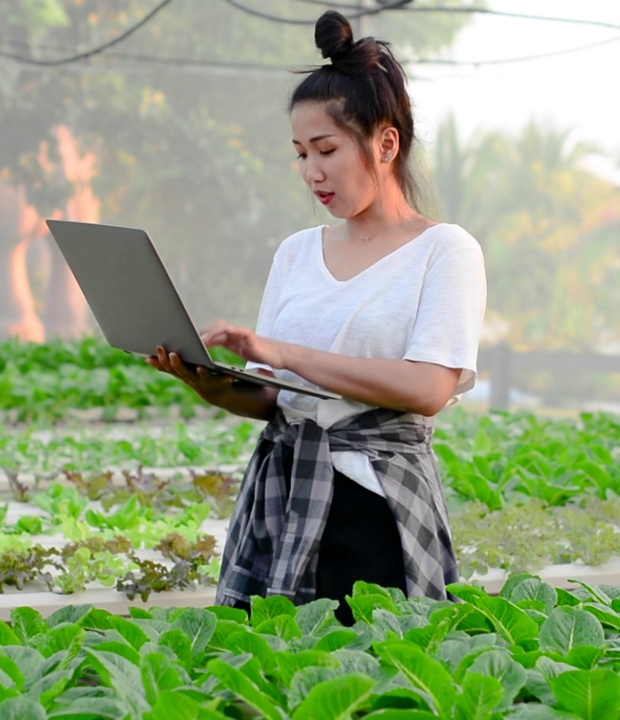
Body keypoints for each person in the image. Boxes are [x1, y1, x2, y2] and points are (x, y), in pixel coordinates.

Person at [148, 10, 486, 626]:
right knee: (272, 680)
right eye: (301, 154)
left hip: (375, 508)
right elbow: (273, 398)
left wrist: (282, 352)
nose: (312, 172)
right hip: (284, 498)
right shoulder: (297, 252)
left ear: (386, 143)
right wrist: (210, 384)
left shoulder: (446, 251)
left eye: (326, 150)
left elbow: (428, 388)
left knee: (371, 678)